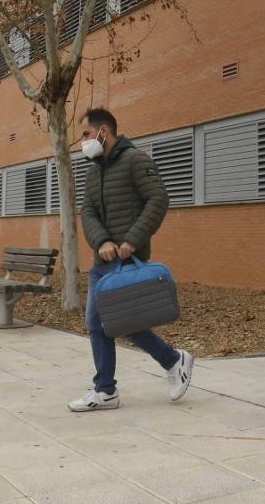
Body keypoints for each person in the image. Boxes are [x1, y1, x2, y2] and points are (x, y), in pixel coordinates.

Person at [68, 108, 194, 412]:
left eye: (85, 134)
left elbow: (158, 200)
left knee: (117, 322)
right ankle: (116, 385)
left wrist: (131, 241)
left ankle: (118, 384)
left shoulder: (136, 160)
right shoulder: (94, 170)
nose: (82, 142)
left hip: (128, 258)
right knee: (101, 323)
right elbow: (88, 212)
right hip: (103, 261)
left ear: (103, 132)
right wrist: (102, 241)